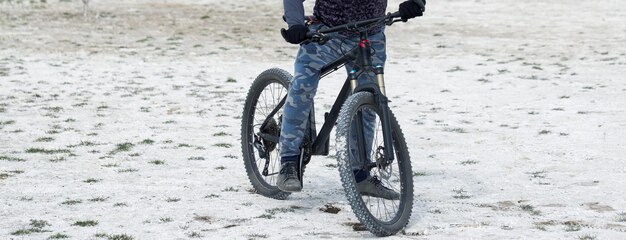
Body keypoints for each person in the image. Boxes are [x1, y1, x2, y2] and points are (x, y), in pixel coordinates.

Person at [277, 0, 425, 198]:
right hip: (327, 32)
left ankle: (361, 174)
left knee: (369, 101)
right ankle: (288, 161)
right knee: (302, 87)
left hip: (371, 32)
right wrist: (295, 24)